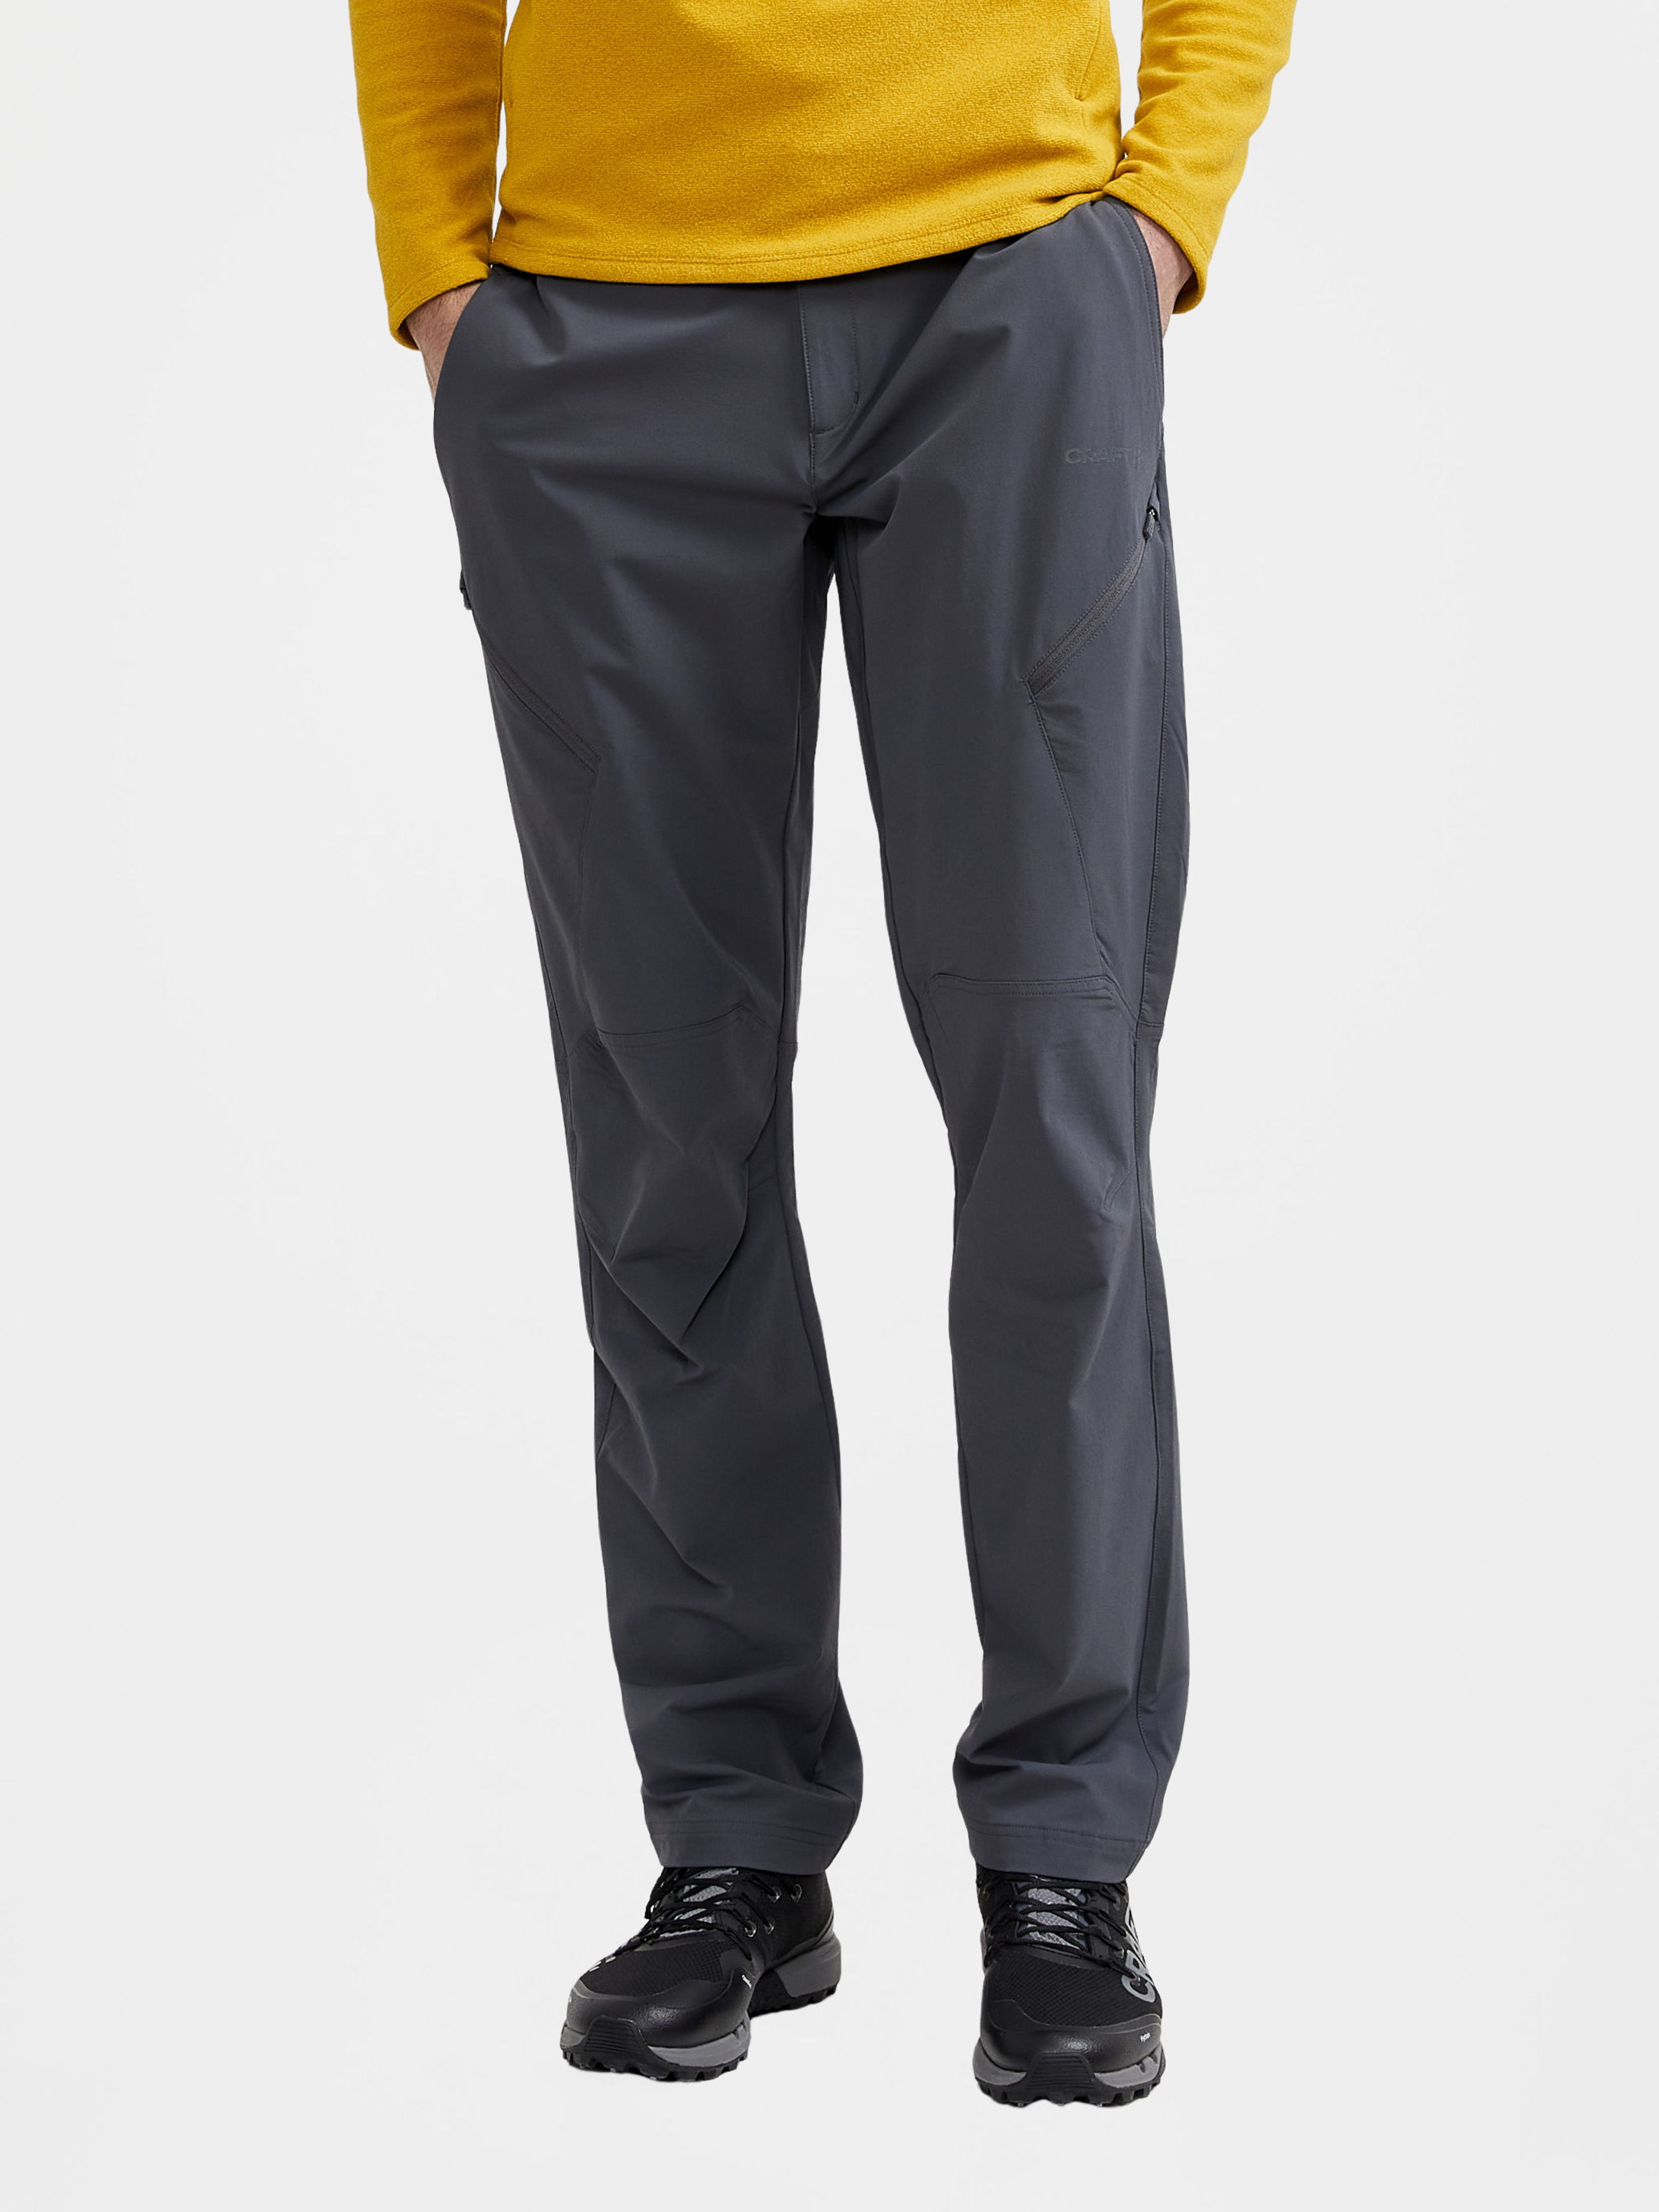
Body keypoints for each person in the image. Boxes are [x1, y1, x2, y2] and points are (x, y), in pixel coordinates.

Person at [349, 0, 1293, 2107]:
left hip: (1004, 299)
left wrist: (1159, 211)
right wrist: (437, 272)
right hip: (595, 335)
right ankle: (740, 1842)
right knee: (666, 1126)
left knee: (1054, 1112)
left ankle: (1062, 1860)